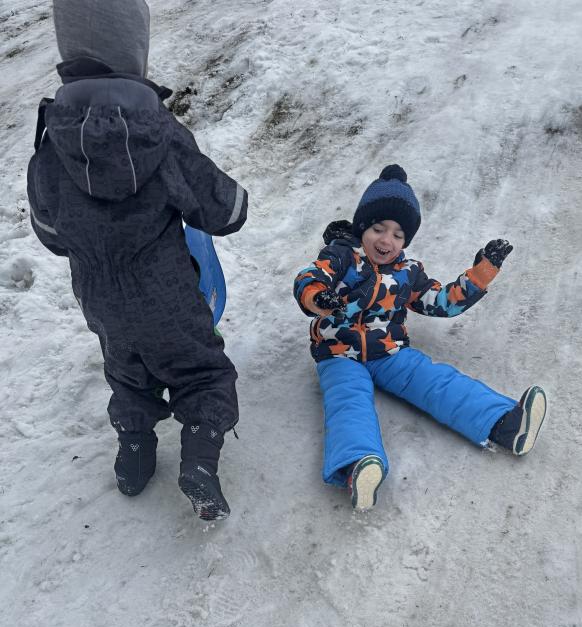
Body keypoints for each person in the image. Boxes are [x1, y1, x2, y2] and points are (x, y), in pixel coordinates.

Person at [27, 0, 248, 521]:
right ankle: (198, 461)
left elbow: (49, 233)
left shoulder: (50, 143)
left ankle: (134, 451)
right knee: (202, 373)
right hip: (167, 298)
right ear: (135, 51)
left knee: (127, 376)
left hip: (102, 303)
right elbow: (224, 211)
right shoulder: (158, 133)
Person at [293, 164, 547, 511]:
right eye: (378, 229)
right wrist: (317, 297)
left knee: (434, 381)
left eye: (398, 235)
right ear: (361, 227)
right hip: (338, 352)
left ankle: (505, 424)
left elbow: (440, 302)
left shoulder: (408, 271)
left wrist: (479, 275)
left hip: (389, 351)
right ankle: (357, 467)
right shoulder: (341, 257)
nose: (386, 240)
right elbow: (310, 278)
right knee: (348, 402)